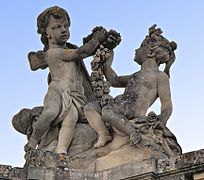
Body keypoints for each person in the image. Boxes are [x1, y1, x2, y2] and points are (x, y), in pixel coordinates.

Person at [24, 6, 107, 154]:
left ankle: (61, 151)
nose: (63, 30)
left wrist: (100, 42)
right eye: (56, 27)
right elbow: (82, 52)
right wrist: (96, 40)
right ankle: (33, 141)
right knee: (50, 113)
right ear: (47, 34)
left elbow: (81, 51)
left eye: (65, 26)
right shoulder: (53, 53)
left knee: (70, 121)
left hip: (74, 94)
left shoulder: (69, 48)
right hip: (57, 91)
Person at [84, 25, 177, 149]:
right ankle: (104, 134)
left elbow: (166, 103)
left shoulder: (160, 76)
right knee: (90, 108)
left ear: (150, 51)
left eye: (140, 47)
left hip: (132, 109)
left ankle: (132, 132)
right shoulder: (135, 75)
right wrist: (109, 55)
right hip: (119, 103)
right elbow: (114, 80)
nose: (136, 50)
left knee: (107, 112)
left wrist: (163, 119)